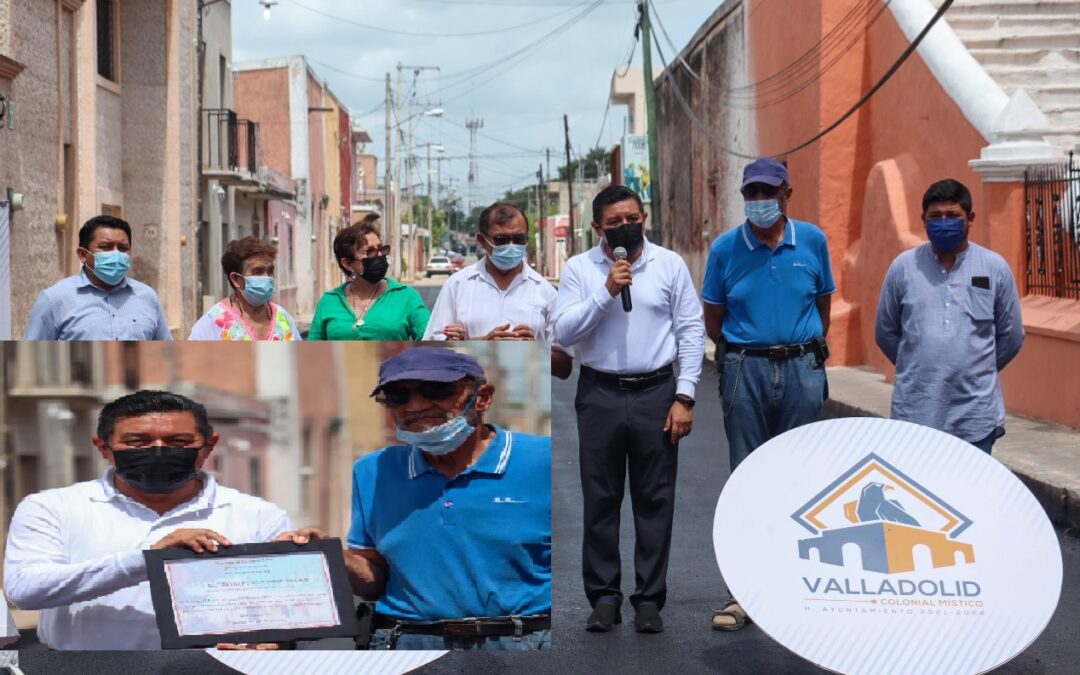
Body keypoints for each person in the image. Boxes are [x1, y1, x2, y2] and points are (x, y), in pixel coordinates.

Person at [2, 390, 309, 650]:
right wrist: (146, 560)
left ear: (208, 447)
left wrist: (272, 643)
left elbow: (289, 610)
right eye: (137, 442)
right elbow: (26, 590)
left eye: (178, 441)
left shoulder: (259, 515)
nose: (158, 452)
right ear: (103, 448)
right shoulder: (52, 508)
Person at [552, 185, 705, 634]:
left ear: (644, 217)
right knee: (601, 498)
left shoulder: (669, 264)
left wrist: (686, 395)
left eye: (632, 217)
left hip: (657, 391)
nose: (625, 226)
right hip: (599, 392)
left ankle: (649, 599)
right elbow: (564, 330)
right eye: (614, 221)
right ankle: (603, 597)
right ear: (598, 226)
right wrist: (604, 292)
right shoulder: (580, 268)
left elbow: (692, 330)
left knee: (654, 499)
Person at [338, 347, 551, 650]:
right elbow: (374, 580)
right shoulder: (373, 471)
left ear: (483, 397)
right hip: (407, 644)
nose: (416, 405)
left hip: (522, 642)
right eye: (398, 396)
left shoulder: (543, 460)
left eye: (436, 390)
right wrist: (334, 556)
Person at [701, 157, 835, 631]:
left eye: (768, 192)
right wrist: (744, 347)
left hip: (802, 365)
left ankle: (798, 586)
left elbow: (823, 303)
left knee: (801, 478)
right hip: (744, 368)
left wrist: (804, 348)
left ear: (786, 194)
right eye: (751, 194)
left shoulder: (813, 242)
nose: (759, 202)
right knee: (748, 479)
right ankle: (745, 592)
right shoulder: (724, 250)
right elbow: (713, 316)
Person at [875, 178, 1024, 454]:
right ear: (923, 219)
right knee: (917, 491)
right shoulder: (904, 268)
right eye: (936, 216)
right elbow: (885, 332)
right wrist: (918, 364)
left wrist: (976, 369)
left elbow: (1012, 335)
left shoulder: (994, 268)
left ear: (970, 218)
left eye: (953, 216)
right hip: (916, 412)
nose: (944, 222)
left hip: (974, 414)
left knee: (971, 493)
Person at [423, 201, 574, 376]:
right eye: (501, 240)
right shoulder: (458, 285)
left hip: (527, 400)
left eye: (519, 239)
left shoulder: (545, 291)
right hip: (468, 397)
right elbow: (430, 354)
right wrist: (482, 345)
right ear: (482, 240)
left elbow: (565, 368)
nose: (511, 246)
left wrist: (534, 350)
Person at [23, 215, 171, 340]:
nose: (116, 254)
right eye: (106, 247)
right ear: (82, 254)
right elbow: (29, 361)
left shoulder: (147, 297)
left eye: (123, 248)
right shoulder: (55, 300)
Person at [308, 219, 430, 340]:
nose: (380, 255)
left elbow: (431, 344)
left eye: (381, 248)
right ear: (348, 264)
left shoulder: (406, 297)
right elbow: (312, 354)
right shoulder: (329, 302)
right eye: (370, 251)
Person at [188, 236, 301, 341]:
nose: (267, 278)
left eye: (270, 271)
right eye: (257, 272)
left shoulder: (284, 319)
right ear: (236, 279)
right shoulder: (213, 322)